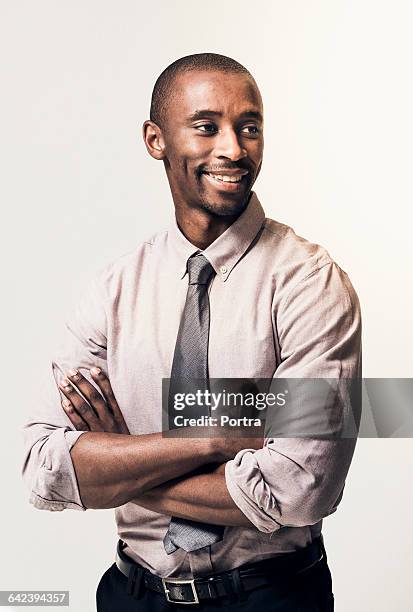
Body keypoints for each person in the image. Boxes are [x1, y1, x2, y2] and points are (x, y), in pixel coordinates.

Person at [22, 53, 362, 611]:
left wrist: (125, 460)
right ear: (156, 140)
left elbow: (303, 488)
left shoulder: (311, 284)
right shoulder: (113, 290)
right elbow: (44, 467)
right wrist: (219, 435)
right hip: (132, 594)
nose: (233, 147)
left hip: (270, 596)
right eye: (207, 127)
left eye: (248, 127)